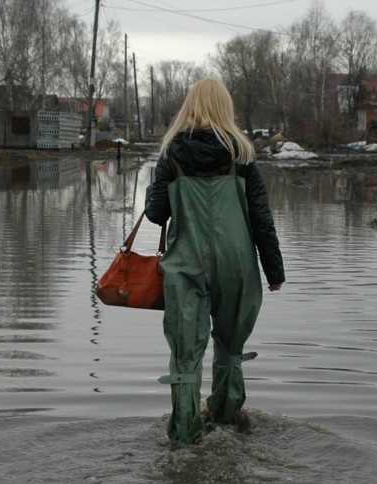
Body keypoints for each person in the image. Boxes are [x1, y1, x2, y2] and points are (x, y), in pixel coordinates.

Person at [145, 79, 285, 444]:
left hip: (187, 264)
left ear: (189, 108)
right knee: (229, 347)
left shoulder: (172, 155)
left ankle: (186, 436)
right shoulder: (242, 156)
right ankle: (224, 424)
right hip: (236, 264)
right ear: (226, 109)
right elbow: (261, 219)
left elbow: (156, 214)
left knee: (187, 353)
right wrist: (274, 271)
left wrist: (155, 185)